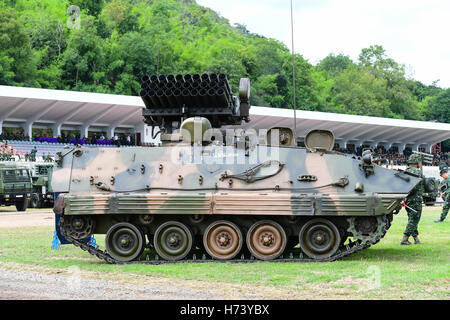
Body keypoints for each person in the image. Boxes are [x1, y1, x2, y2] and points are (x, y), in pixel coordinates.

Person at [401, 154, 425, 245]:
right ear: (417, 162)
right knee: (414, 219)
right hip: (415, 199)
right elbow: (414, 187)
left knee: (412, 219)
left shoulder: (406, 171)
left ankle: (416, 239)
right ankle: (405, 239)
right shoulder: (417, 172)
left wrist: (405, 196)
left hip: (408, 200)